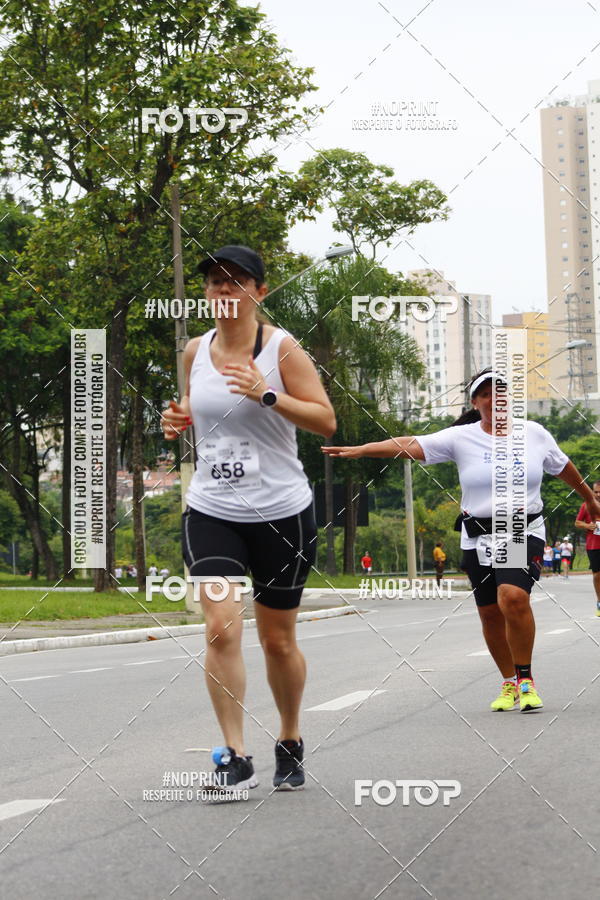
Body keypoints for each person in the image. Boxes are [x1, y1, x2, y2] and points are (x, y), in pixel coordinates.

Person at [161, 244, 336, 794]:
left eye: (236, 283)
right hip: (213, 508)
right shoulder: (195, 350)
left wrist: (267, 394)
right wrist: (177, 419)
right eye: (215, 282)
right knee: (219, 626)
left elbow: (325, 420)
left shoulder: (281, 349)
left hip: (282, 512)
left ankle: (289, 737)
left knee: (278, 640)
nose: (223, 292)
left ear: (259, 292)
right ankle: (234, 754)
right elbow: (196, 411)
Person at [322, 367, 600, 713]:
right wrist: (365, 449)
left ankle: (526, 678)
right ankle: (509, 682)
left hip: (519, 528)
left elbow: (563, 466)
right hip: (477, 535)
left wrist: (588, 498)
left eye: (500, 391)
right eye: (485, 393)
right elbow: (409, 444)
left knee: (511, 597)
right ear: (475, 402)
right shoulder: (461, 438)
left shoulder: (534, 434)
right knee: (489, 614)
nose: (494, 398)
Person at [574, 480, 600, 615]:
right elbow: (577, 522)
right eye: (596, 492)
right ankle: (599, 601)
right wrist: (588, 526)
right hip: (594, 545)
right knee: (597, 574)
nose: (598, 494)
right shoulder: (586, 505)